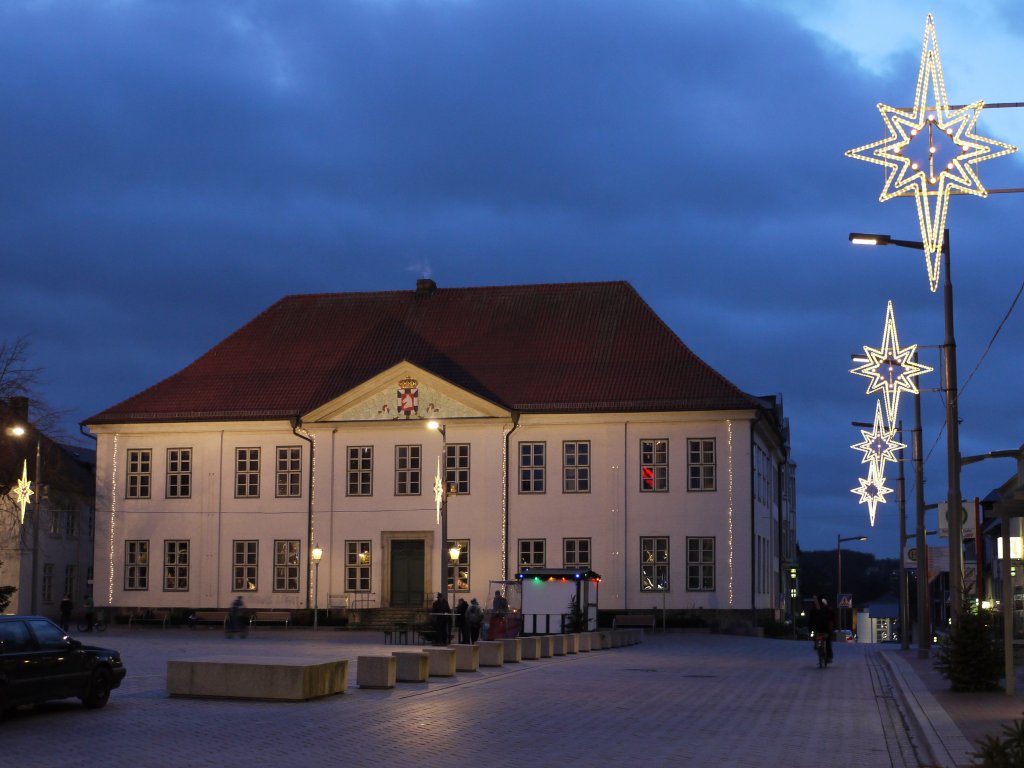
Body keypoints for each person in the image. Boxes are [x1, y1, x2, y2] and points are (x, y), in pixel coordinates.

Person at [809, 594, 835, 663]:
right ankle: (828, 656)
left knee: (818, 638)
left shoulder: (814, 609)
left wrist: (810, 629)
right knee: (828, 641)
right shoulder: (826, 609)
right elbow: (832, 617)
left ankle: (817, 646)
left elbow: (810, 620)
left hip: (817, 629)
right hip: (825, 629)